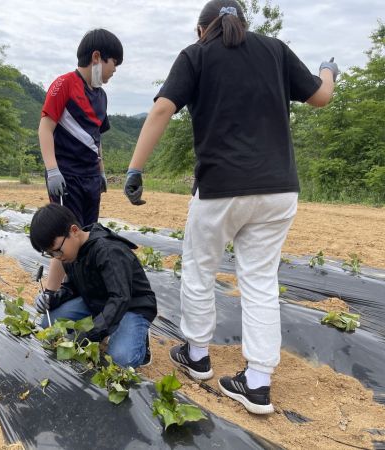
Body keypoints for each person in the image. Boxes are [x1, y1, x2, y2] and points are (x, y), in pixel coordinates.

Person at [124, 0, 337, 414]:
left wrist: (134, 169)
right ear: (242, 22)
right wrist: (328, 68)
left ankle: (198, 356)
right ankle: (257, 382)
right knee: (259, 281)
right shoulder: (274, 49)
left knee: (201, 268)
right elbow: (322, 96)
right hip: (277, 190)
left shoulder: (197, 54)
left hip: (221, 189)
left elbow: (163, 108)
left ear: (202, 28)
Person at [38, 28, 123, 296]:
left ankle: (74, 289)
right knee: (64, 237)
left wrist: (101, 172)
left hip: (89, 177)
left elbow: (96, 138)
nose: (114, 71)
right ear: (97, 57)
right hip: (66, 177)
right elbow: (45, 128)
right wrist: (52, 170)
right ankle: (51, 294)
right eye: (114, 64)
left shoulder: (101, 96)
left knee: (85, 235)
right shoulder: (64, 84)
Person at [29, 204, 157, 368]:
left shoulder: (108, 251)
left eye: (57, 251)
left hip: (130, 306)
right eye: (50, 254)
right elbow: (71, 288)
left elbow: (120, 299)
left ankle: (140, 338)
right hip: (96, 301)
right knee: (48, 324)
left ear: (74, 231)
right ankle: (106, 326)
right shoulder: (70, 254)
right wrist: (51, 299)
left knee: (121, 359)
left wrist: (90, 334)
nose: (56, 257)